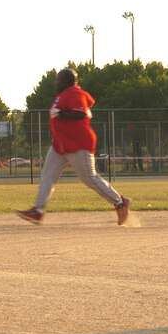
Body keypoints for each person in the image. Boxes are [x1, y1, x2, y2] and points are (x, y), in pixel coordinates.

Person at [15, 68, 131, 226]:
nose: (56, 82)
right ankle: (38, 211)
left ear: (66, 81)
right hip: (61, 144)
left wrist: (62, 114)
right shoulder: (63, 95)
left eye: (58, 80)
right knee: (48, 175)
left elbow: (81, 113)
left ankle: (120, 202)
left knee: (90, 178)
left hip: (78, 143)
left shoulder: (74, 93)